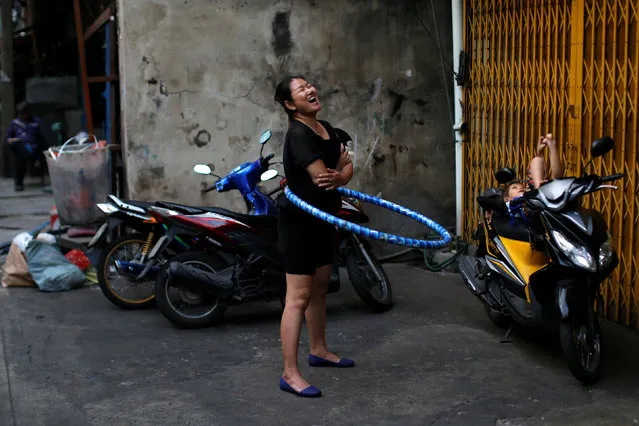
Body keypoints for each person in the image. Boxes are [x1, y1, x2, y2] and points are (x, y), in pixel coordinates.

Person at [274, 76, 354, 398]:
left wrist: (342, 173)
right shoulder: (298, 136)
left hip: (324, 220)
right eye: (301, 90)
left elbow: (347, 170)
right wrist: (339, 172)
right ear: (290, 105)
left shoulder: (326, 128)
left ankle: (318, 350)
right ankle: (289, 374)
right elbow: (325, 177)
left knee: (321, 287)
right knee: (298, 297)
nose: (310, 90)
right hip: (300, 224)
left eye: (310, 85)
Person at [5, 102, 47, 191]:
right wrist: (12, 140)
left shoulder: (35, 122)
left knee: (21, 157)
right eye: (20, 113)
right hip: (19, 146)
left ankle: (19, 183)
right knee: (18, 148)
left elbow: (41, 138)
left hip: (32, 147)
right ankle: (33, 160)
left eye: (24, 113)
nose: (22, 115)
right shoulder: (14, 123)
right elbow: (8, 138)